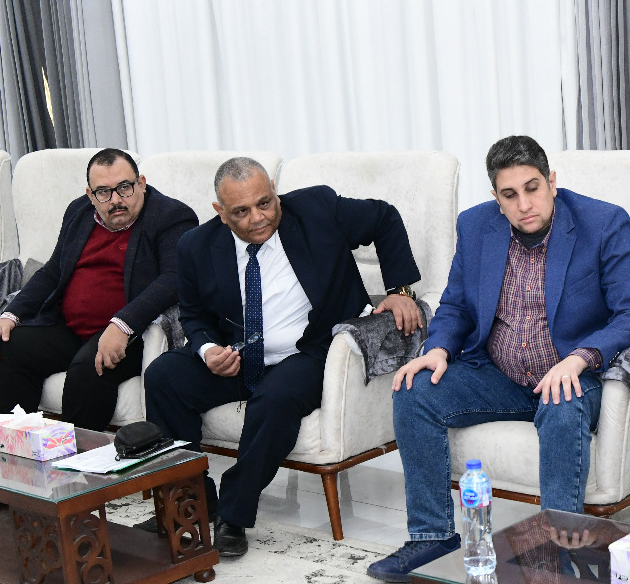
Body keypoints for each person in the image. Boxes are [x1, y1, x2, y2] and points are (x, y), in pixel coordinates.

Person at [366, 135, 630, 582]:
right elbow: (456, 305)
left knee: (561, 402)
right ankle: (431, 538)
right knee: (415, 390)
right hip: (498, 375)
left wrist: (580, 358)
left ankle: (558, 552)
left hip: (572, 375)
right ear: (496, 198)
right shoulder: (475, 226)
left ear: (552, 182)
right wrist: (438, 349)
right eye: (509, 194)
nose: (524, 204)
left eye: (532, 188)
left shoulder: (603, 223)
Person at [142, 156, 422, 558]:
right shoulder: (196, 246)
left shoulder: (317, 209)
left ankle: (233, 513)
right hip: (239, 356)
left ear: (274, 192)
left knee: (275, 399)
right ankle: (190, 502)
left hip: (310, 351)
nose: (258, 218)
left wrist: (399, 290)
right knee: (163, 376)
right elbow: (194, 316)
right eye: (241, 211)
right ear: (220, 212)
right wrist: (207, 350)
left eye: (265, 203)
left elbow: (385, 217)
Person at [0, 147, 198, 431]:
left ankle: (75, 457)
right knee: (12, 346)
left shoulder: (171, 215)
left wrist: (123, 324)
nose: (116, 200)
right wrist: (11, 314)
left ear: (141, 183)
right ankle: (13, 447)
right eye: (104, 192)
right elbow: (53, 270)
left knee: (89, 367)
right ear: (90, 195)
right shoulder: (78, 212)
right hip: (70, 329)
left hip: (132, 333)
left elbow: (174, 278)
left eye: (124, 188)